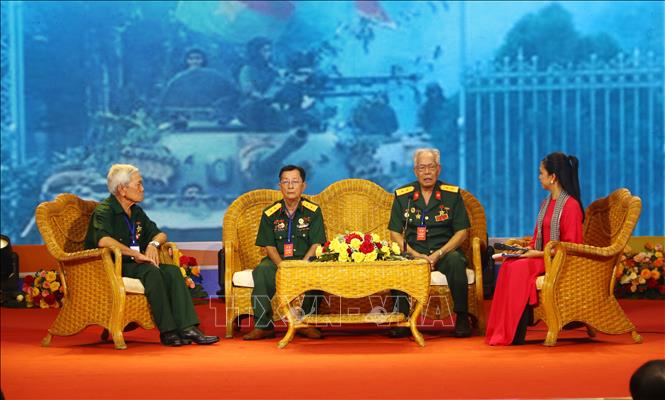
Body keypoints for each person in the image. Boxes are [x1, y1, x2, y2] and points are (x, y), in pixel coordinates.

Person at [84, 164, 219, 347]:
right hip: (110, 266)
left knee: (172, 271)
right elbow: (103, 240)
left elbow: (160, 234)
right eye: (138, 184)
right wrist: (134, 253)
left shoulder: (136, 211)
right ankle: (168, 331)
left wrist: (153, 245)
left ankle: (188, 328)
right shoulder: (105, 211)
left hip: (136, 264)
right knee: (151, 271)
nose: (143, 189)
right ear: (122, 189)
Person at [485, 152, 584, 346]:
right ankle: (502, 330)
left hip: (558, 262)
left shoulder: (570, 206)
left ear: (553, 177)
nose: (539, 177)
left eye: (541, 173)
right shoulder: (546, 203)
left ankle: (513, 332)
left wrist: (535, 254)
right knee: (509, 264)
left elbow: (570, 248)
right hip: (542, 256)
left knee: (519, 268)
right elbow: (538, 237)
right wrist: (522, 250)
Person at [387, 148, 472, 338]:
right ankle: (402, 318)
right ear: (415, 171)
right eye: (422, 168)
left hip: (444, 252)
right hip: (414, 252)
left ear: (438, 169)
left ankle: (462, 317)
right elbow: (395, 232)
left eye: (431, 167)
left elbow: (462, 232)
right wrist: (416, 255)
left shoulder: (452, 195)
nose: (427, 172)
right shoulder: (403, 195)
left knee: (456, 261)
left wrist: (439, 254)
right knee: (396, 262)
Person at [243, 165, 326, 340]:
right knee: (262, 271)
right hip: (278, 261)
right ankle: (264, 326)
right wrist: (282, 266)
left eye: (295, 181)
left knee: (318, 272)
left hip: (305, 260)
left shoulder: (313, 211)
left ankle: (305, 322)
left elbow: (316, 244)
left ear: (303, 186)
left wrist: (302, 265)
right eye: (285, 182)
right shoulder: (270, 213)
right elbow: (269, 246)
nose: (290, 186)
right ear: (280, 186)